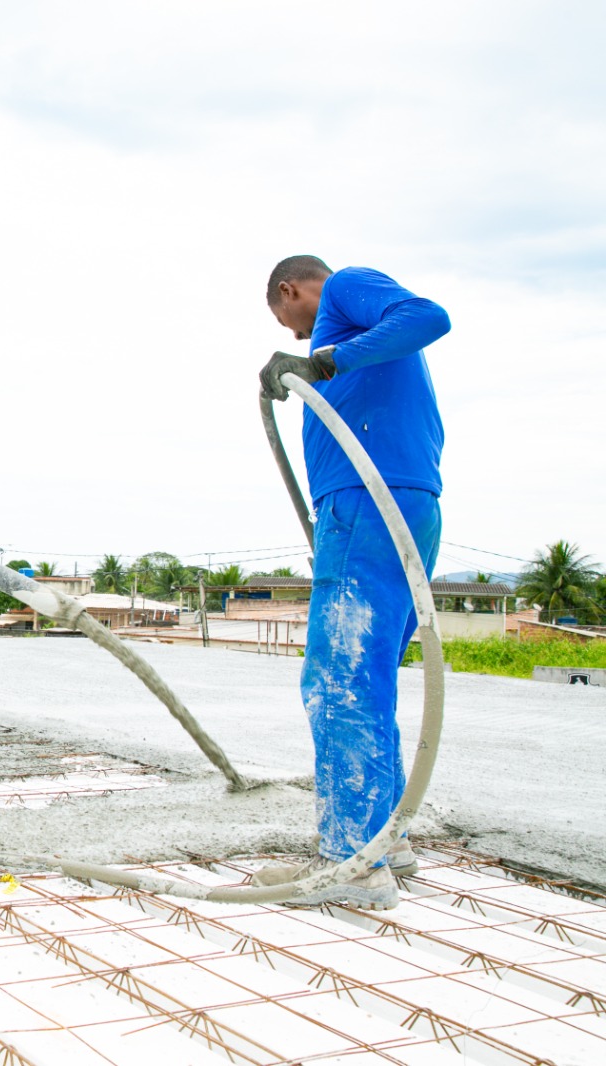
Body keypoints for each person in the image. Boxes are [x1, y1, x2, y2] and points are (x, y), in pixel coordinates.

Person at [254, 255, 449, 910]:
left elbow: (428, 316)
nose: (295, 340)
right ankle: (385, 843)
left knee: (335, 681)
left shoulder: (343, 291)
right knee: (370, 681)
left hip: (369, 503)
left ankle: (350, 863)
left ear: (291, 290)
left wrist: (327, 360)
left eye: (288, 323)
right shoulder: (350, 336)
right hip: (391, 505)